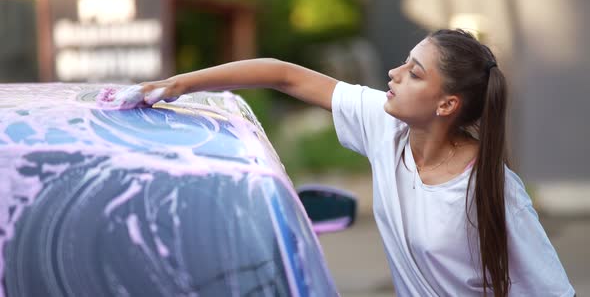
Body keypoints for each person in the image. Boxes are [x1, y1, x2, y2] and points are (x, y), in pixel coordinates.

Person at [140, 29, 575, 296]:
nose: (394, 74)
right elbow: (283, 74)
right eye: (405, 62)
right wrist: (181, 83)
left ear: (447, 104)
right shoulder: (386, 127)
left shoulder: (493, 189)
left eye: (415, 72)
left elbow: (553, 291)